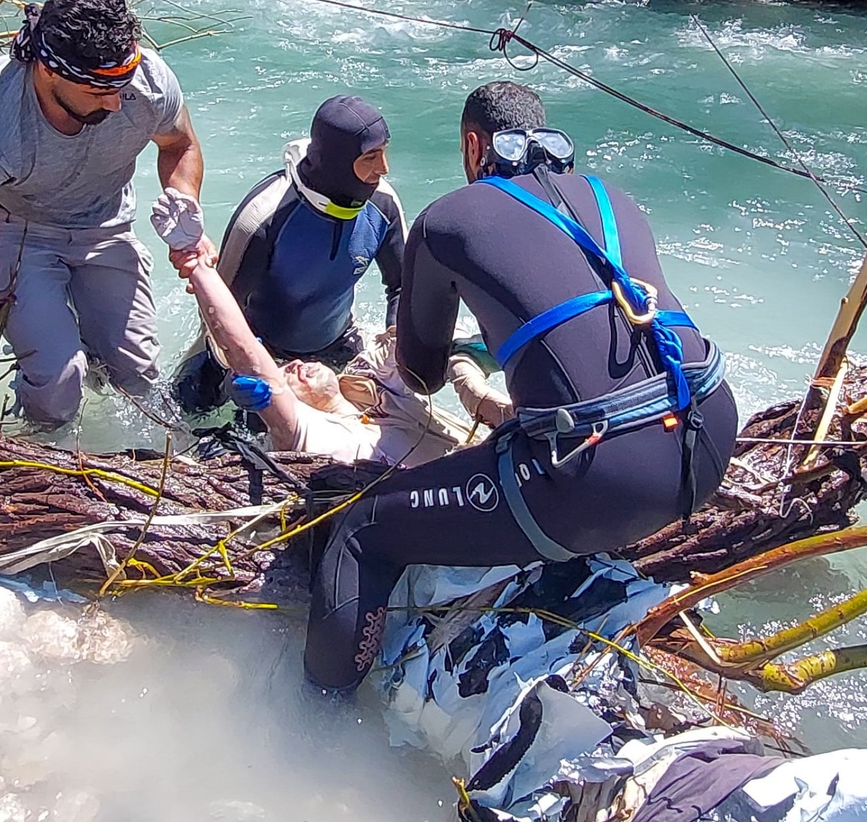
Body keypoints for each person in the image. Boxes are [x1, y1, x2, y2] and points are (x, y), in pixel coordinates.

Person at [303, 81, 739, 692]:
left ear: (474, 145)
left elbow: (419, 375)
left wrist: (461, 355)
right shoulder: (616, 198)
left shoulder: (449, 218)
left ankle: (315, 721)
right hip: (711, 434)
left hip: (599, 474)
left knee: (362, 532)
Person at [0, 0, 213, 459]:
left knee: (136, 375)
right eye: (100, 89)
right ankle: (40, 461)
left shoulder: (145, 84)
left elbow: (179, 144)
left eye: (123, 85)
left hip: (106, 224)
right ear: (47, 70)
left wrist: (183, 201)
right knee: (59, 385)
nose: (117, 103)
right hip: (20, 231)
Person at [153, 189, 465, 467]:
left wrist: (473, 384)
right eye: (286, 376)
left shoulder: (384, 393)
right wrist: (195, 263)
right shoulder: (307, 434)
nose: (297, 366)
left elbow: (429, 334)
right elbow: (244, 350)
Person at [175, 95, 406, 414]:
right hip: (256, 351)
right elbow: (218, 311)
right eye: (371, 157)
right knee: (185, 416)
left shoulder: (383, 205)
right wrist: (248, 368)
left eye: (384, 153)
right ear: (339, 159)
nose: (384, 168)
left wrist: (397, 348)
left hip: (335, 348)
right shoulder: (265, 216)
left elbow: (402, 287)